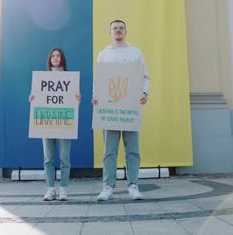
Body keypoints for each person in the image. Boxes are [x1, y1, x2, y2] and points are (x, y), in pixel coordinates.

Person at [92, 20, 149, 201]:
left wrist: (145, 92)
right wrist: (96, 97)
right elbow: (98, 80)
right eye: (115, 28)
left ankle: (133, 185)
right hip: (109, 108)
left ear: (126, 31)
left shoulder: (136, 53)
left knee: (132, 149)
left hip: (130, 108)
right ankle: (108, 186)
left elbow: (145, 77)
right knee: (110, 150)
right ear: (110, 32)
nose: (118, 31)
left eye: (121, 28)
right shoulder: (103, 54)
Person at [29, 47, 81, 201]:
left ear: (62, 59)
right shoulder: (42, 79)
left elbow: (73, 104)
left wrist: (77, 99)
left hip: (64, 122)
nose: (56, 58)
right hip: (47, 122)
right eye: (53, 56)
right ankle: (50, 189)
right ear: (50, 59)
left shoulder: (70, 79)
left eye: (58, 55)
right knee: (48, 159)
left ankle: (63, 189)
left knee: (65, 159)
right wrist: (32, 99)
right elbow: (38, 99)